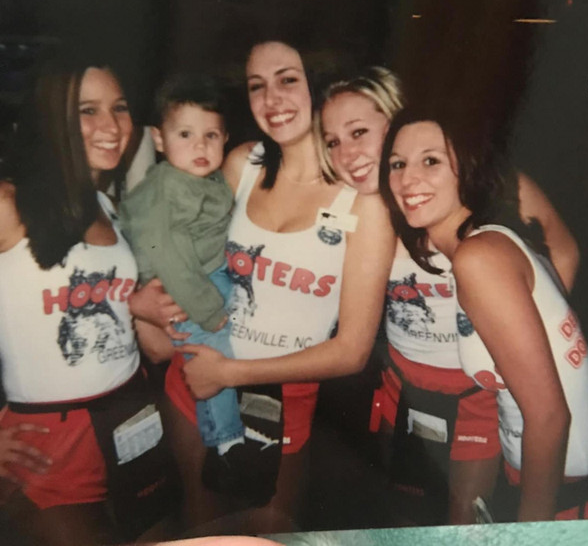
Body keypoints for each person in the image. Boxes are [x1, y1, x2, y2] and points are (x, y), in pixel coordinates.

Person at [143, 40, 395, 534]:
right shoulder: (242, 165)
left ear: (317, 87)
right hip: (195, 380)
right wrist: (148, 303)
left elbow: (351, 352)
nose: (271, 99)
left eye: (287, 80)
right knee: (200, 528)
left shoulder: (363, 203)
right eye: (257, 86)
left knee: (267, 531)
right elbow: (180, 244)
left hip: (280, 398)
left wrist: (230, 373)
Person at [318, 67, 580, 523]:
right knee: (403, 504)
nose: (346, 154)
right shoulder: (357, 208)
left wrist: (531, 336)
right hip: (402, 380)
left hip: (474, 391)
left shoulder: (484, 185)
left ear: (396, 122)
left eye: (359, 132)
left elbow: (565, 249)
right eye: (333, 142)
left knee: (463, 519)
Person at [378, 105, 588, 522]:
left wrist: (531, 533)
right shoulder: (490, 240)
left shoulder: (479, 259)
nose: (408, 179)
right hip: (565, 483)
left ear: (469, 169)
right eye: (397, 164)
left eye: (431, 161)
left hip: (574, 501)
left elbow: (549, 416)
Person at [0, 57, 177, 545]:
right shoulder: (8, 204)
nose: (111, 126)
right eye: (87, 110)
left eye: (119, 108)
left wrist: (142, 308)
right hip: (48, 442)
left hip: (133, 417)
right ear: (51, 117)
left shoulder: (107, 207)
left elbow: (149, 338)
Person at [121, 73, 260, 498]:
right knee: (212, 350)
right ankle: (226, 444)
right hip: (178, 284)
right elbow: (169, 256)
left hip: (205, 272)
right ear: (159, 140)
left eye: (211, 135)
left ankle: (236, 426)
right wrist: (208, 310)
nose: (200, 146)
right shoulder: (165, 188)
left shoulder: (206, 179)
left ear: (225, 138)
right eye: (185, 134)